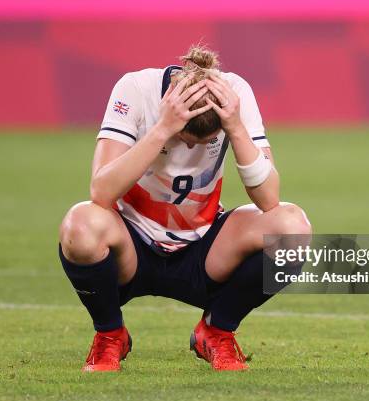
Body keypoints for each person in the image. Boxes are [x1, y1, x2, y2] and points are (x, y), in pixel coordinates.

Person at [58, 45, 312, 372]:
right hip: (131, 246)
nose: (191, 147)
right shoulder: (135, 89)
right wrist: (162, 129)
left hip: (205, 250)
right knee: (80, 225)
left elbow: (269, 200)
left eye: (205, 142)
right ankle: (109, 335)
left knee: (292, 228)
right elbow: (101, 192)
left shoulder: (236, 95)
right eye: (185, 138)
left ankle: (217, 331)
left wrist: (234, 126)